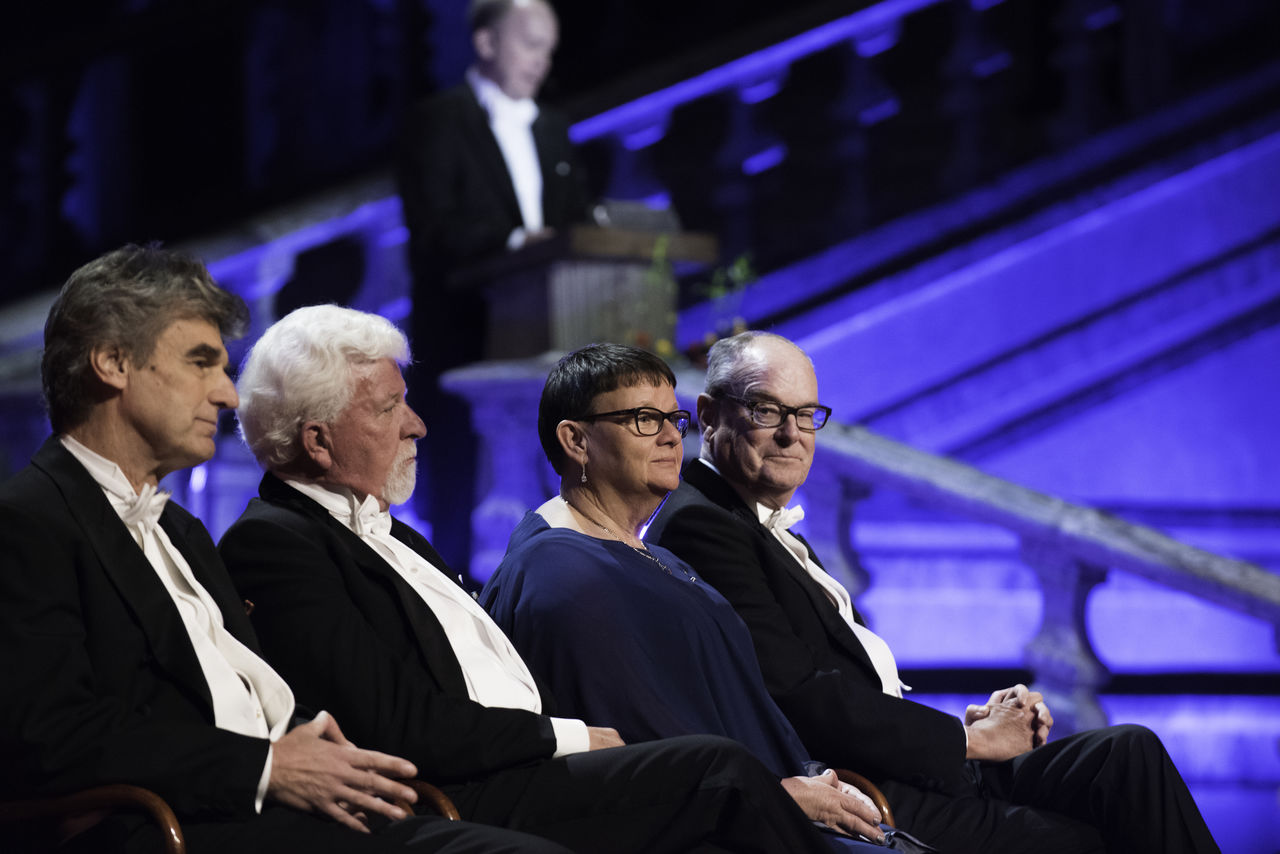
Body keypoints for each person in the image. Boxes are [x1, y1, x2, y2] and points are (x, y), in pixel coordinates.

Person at [0, 245, 571, 854]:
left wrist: (310, 743)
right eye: (201, 363)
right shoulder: (26, 522)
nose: (227, 396)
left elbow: (245, 690)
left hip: (284, 813)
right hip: (175, 826)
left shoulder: (184, 532)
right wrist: (267, 766)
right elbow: (46, 736)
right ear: (112, 363)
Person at [218, 304, 845, 854]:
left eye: (670, 420)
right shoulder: (275, 544)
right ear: (319, 441)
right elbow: (395, 721)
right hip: (469, 790)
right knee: (721, 772)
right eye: (390, 408)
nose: (418, 424)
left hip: (524, 765)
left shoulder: (397, 536)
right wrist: (564, 737)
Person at [645, 330, 1221, 854]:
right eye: (768, 410)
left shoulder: (749, 518)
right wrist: (968, 743)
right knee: (1088, 838)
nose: (793, 434)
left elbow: (840, 680)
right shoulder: (705, 524)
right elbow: (802, 696)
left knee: (1126, 755)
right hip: (866, 789)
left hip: (905, 763)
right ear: (709, 413)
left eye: (806, 414)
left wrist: (967, 731)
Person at [480, 343, 929, 852]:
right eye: (646, 420)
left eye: (674, 418)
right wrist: (781, 791)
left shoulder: (651, 555)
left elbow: (738, 702)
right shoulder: (561, 574)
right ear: (576, 439)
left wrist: (808, 775)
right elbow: (641, 744)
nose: (674, 435)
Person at [397, 0, 594, 572]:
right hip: (465, 331)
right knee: (457, 482)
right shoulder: (439, 119)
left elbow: (572, 223)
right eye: (530, 43)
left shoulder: (553, 128)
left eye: (549, 48)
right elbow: (435, 226)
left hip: (547, 335)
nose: (542, 60)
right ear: (486, 43)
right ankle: (454, 584)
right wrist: (517, 243)